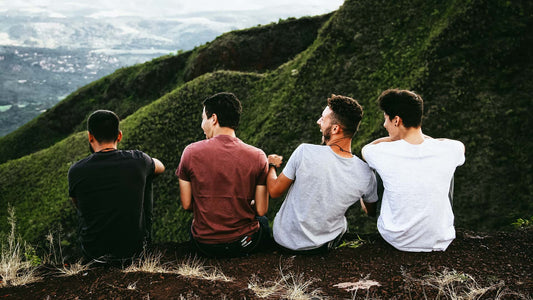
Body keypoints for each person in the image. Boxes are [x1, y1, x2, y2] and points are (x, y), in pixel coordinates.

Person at [267, 94, 378, 254]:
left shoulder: (304, 151)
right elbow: (370, 211)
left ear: (335, 129)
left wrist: (271, 165)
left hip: (283, 241)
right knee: (343, 222)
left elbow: (274, 191)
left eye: (323, 119)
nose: (318, 122)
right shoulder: (366, 173)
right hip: (321, 248)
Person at [362, 89, 465, 252]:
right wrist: (423, 139)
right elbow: (453, 144)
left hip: (396, 239)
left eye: (386, 119)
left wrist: (394, 139)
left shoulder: (379, 152)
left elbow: (366, 149)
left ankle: (372, 212)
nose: (384, 125)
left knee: (379, 169)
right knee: (446, 169)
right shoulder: (452, 149)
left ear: (396, 120)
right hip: (439, 239)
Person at [176, 92, 270, 258]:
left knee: (192, 227)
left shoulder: (190, 152)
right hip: (244, 243)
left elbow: (187, 204)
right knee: (263, 222)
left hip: (205, 245)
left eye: (203, 118)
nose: (202, 125)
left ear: (214, 119)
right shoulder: (258, 156)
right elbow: (261, 209)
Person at [68, 110, 165, 263]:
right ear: (119, 135)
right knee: (148, 175)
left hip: (94, 254)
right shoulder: (138, 160)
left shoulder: (76, 171)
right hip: (133, 252)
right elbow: (161, 167)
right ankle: (145, 243)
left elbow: (80, 206)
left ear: (90, 136)